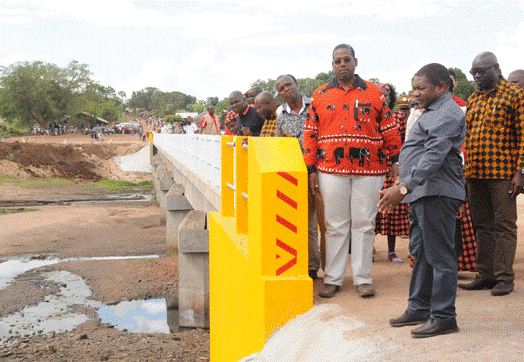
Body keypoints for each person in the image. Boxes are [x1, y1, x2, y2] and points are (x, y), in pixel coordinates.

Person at [304, 44, 402, 298]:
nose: (342, 64)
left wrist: (396, 159)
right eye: (337, 61)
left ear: (356, 62)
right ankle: (334, 278)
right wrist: (311, 167)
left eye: (347, 59)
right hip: (330, 170)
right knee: (334, 224)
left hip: (370, 170)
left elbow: (389, 128)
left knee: (364, 223)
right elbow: (310, 134)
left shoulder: (374, 93)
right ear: (332, 65)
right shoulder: (320, 95)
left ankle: (362, 277)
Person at [382, 63, 466, 338]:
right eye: (413, 87)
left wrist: (403, 188)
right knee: (422, 254)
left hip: (437, 194)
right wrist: (402, 183)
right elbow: (417, 153)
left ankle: (443, 316)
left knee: (440, 256)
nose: (414, 93)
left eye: (421, 88)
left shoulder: (447, 113)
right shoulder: (428, 112)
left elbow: (433, 156)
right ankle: (419, 307)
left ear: (441, 87)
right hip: (421, 193)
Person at [458, 52, 524, 296]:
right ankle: (485, 275)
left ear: (496, 68)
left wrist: (520, 172)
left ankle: (505, 278)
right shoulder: (473, 99)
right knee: (481, 225)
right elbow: (467, 138)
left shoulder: (515, 95)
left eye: (481, 71)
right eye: (473, 72)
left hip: (503, 174)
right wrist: (465, 173)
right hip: (475, 173)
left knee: (504, 225)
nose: (476, 76)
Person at [275, 74, 321, 280]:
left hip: (323, 170)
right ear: (279, 94)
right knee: (307, 222)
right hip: (298, 174)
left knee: (329, 222)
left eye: (288, 84)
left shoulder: (316, 105)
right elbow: (280, 144)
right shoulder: (281, 114)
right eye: (281, 88)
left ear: (296, 85)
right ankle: (311, 267)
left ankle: (333, 272)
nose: (286, 89)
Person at [374, 86, 410, 264]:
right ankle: (369, 248)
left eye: (386, 95)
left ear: (391, 97)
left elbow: (404, 142)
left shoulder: (399, 117)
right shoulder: (369, 115)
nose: (383, 98)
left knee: (391, 211)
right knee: (370, 210)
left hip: (392, 169)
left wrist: (398, 165)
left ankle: (391, 251)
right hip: (372, 168)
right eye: (379, 95)